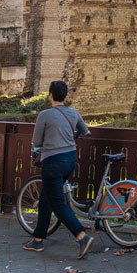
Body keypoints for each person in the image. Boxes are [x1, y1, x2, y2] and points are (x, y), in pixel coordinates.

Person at [22, 79, 95, 258]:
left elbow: (37, 142)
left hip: (53, 161)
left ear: (51, 95)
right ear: (65, 95)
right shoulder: (73, 112)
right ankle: (38, 239)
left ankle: (82, 236)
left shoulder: (45, 115)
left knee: (57, 203)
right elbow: (86, 132)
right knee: (47, 199)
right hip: (70, 159)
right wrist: (72, 134)